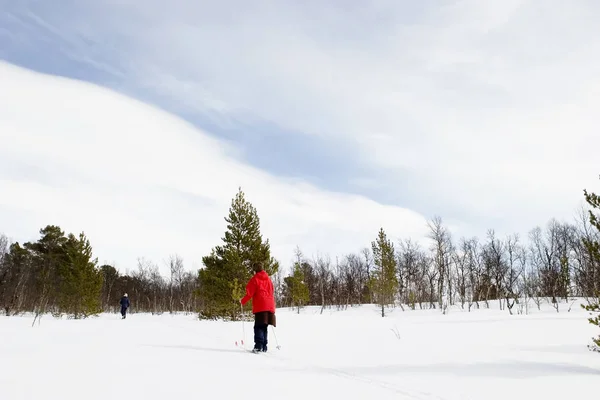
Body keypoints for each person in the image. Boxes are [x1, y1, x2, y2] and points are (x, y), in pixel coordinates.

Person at [240, 262, 276, 352]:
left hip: (261, 305)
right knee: (264, 326)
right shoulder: (268, 279)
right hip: (270, 305)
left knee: (259, 326)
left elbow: (249, 293)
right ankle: (264, 346)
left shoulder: (255, 279)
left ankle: (258, 346)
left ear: (255, 270)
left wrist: (242, 301)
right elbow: (272, 291)